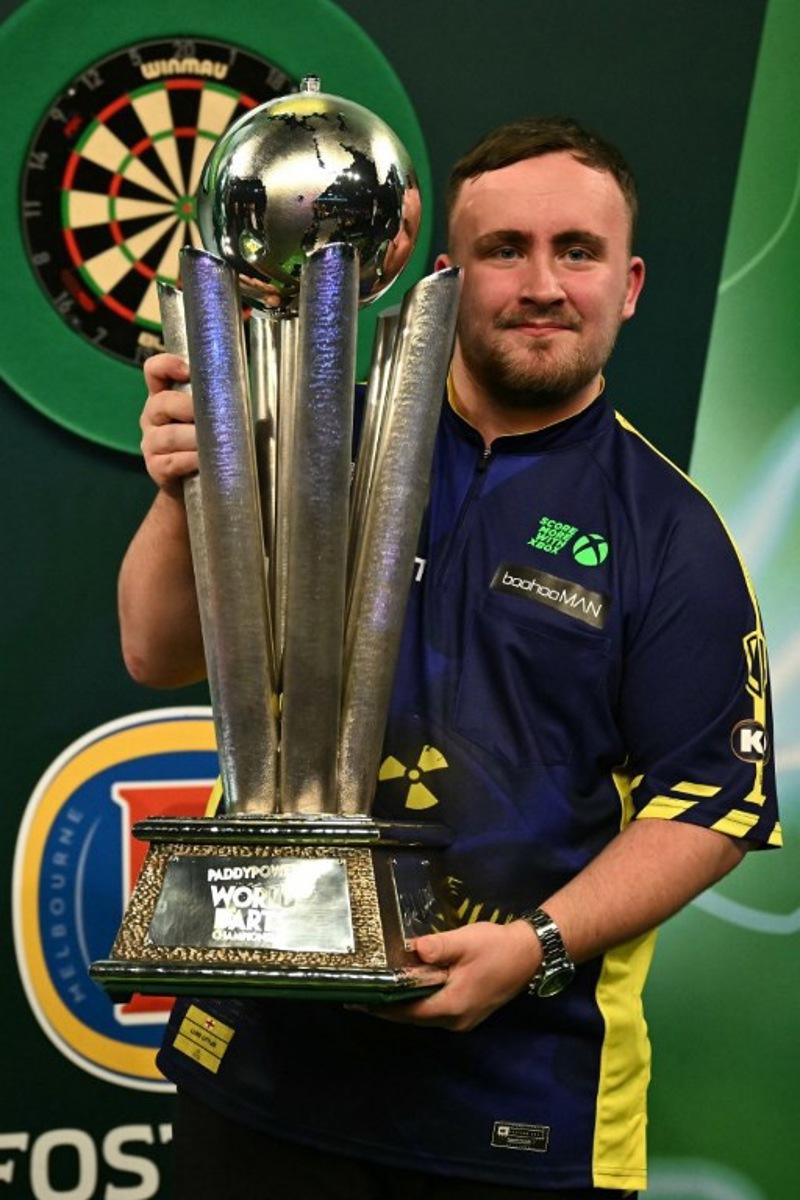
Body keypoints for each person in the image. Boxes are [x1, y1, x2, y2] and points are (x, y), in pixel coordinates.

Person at [119, 116, 780, 1199]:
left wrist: (535, 945)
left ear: (629, 284)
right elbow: (155, 651)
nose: (540, 283)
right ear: (440, 279)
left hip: (514, 1110)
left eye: (577, 250)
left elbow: (708, 805)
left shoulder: (672, 536)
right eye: (501, 249)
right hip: (257, 1076)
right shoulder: (307, 441)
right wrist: (184, 488)